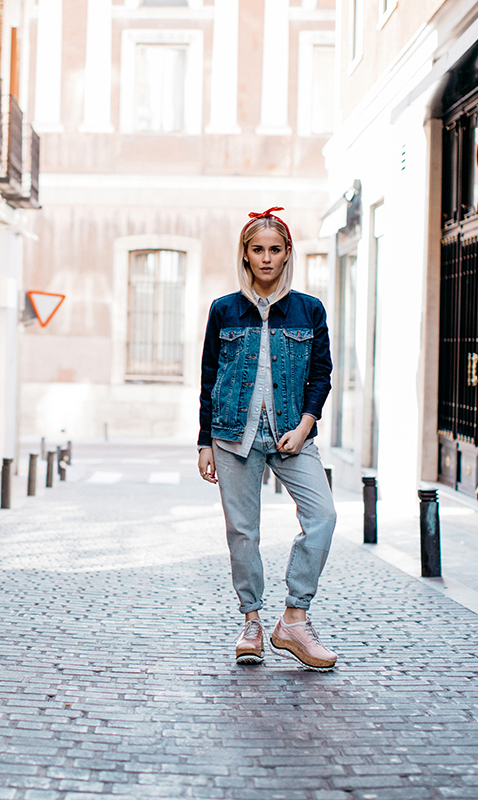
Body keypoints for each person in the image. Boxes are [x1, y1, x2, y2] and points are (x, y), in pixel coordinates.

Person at [197, 207, 338, 669]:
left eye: (274, 249)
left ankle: (294, 619)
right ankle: (252, 621)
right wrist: (204, 441)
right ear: (245, 254)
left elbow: (321, 374)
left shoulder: (308, 309)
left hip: (290, 433)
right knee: (243, 531)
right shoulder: (224, 309)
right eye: (257, 249)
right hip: (231, 435)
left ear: (287, 253)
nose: (266, 258)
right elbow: (209, 376)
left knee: (322, 516)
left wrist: (305, 426)